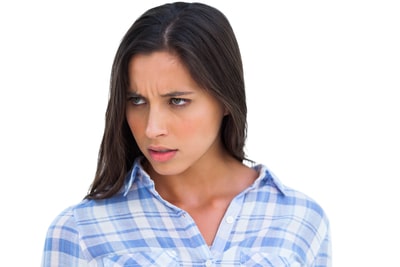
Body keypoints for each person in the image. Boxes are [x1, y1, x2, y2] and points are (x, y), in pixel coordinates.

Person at [41, 2, 331, 266]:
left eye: (177, 101)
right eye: (137, 100)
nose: (153, 128)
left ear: (226, 100)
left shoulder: (300, 219)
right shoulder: (79, 230)